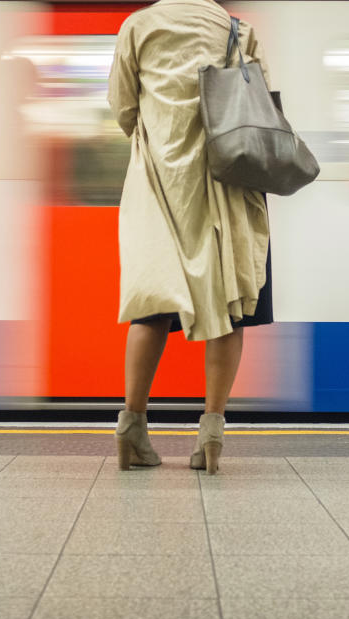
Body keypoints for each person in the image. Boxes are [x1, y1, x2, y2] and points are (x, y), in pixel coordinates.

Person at [107, 0, 274, 474]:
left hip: (159, 188)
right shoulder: (237, 29)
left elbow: (122, 107)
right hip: (226, 190)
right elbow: (258, 106)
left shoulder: (137, 26)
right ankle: (211, 436)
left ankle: (132, 427)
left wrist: (158, 135)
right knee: (229, 308)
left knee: (152, 309)